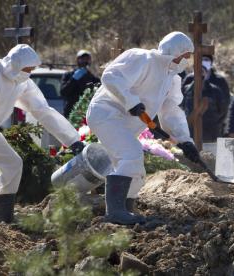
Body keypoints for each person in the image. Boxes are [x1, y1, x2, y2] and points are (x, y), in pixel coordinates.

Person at [86, 32, 199, 225]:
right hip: (107, 114)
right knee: (131, 154)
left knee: (136, 170)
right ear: (174, 52)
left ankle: (125, 211)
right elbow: (111, 76)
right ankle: (115, 212)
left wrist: (185, 140)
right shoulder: (142, 58)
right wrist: (131, 101)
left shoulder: (172, 79)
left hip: (127, 126)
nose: (187, 60)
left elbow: (170, 110)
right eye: (185, 55)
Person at [0, 44, 85, 223]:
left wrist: (73, 140)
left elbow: (43, 110)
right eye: (26, 69)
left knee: (12, 164)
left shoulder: (22, 83)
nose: (28, 72)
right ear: (15, 64)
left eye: (31, 69)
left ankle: (1, 216)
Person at [183, 65, 229, 142]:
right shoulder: (187, 90)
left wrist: (215, 123)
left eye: (202, 72)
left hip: (210, 133)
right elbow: (181, 107)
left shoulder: (215, 91)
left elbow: (223, 111)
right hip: (191, 132)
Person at [60, 50, 100, 118]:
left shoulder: (94, 79)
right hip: (70, 112)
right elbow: (63, 92)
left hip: (86, 114)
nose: (85, 61)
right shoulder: (68, 75)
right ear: (77, 60)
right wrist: (73, 79)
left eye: (87, 59)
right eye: (82, 59)